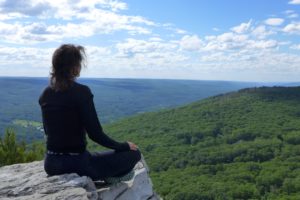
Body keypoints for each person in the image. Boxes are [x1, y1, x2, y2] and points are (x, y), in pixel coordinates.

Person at [39, 44, 141, 183]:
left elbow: (47, 131)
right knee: (134, 154)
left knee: (95, 156)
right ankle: (110, 176)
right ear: (74, 66)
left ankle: (107, 174)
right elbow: (95, 134)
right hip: (78, 164)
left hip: (51, 164)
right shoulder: (81, 92)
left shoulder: (45, 94)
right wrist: (124, 146)